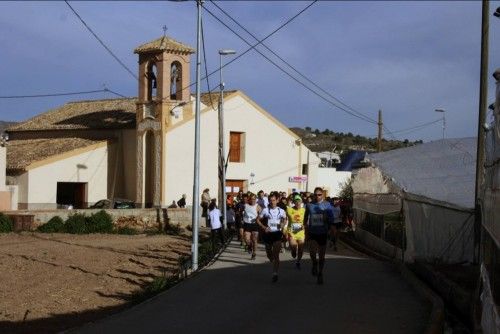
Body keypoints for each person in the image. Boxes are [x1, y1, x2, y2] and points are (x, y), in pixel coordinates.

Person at [304, 187, 334, 285]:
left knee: (321, 257)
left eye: (319, 194)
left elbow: (332, 220)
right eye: (316, 195)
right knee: (312, 253)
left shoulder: (327, 205)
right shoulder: (309, 205)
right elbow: (305, 217)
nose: (317, 196)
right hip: (313, 232)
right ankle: (314, 263)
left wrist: (327, 219)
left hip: (322, 233)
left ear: (323, 195)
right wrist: (305, 228)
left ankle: (320, 273)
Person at [257, 193, 286, 282]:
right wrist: (264, 227)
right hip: (268, 234)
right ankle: (271, 259)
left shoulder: (281, 211)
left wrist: (282, 224)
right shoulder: (265, 210)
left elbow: (284, 220)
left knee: (276, 254)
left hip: (277, 233)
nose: (272, 202)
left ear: (277, 200)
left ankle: (275, 273)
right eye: (270, 200)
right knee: (269, 254)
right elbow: (258, 220)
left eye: (273, 200)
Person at [286, 194, 306, 269]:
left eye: (299, 202)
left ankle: (298, 261)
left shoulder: (304, 210)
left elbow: (307, 221)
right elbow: (285, 219)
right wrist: (284, 230)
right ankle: (293, 251)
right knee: (294, 246)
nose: (298, 203)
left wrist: (305, 225)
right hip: (292, 232)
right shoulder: (289, 209)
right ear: (294, 202)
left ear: (301, 202)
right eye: (296, 202)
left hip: (301, 232)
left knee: (301, 248)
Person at [243, 193, 261, 260]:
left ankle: (254, 253)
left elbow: (262, 215)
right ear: (249, 199)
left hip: (255, 224)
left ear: (256, 199)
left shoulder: (257, 206)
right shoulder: (245, 205)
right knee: (247, 239)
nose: (253, 200)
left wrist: (258, 218)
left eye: (254, 199)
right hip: (247, 224)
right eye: (251, 199)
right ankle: (249, 245)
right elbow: (240, 212)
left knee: (254, 239)